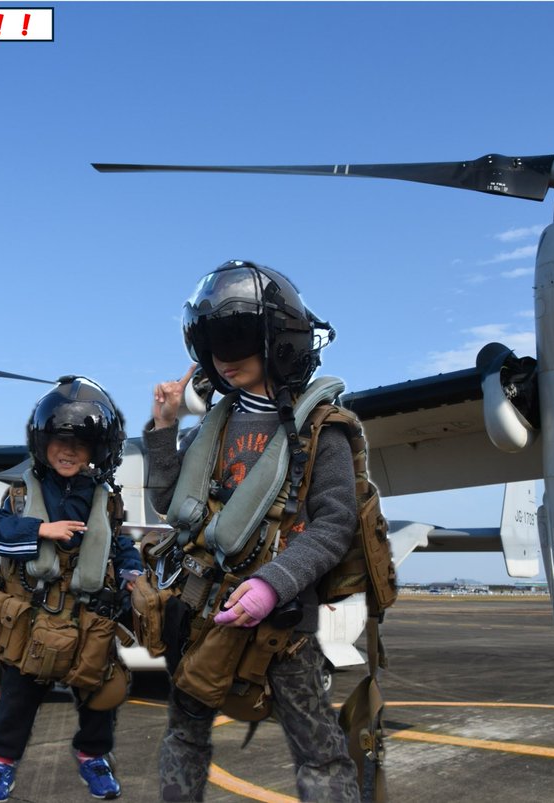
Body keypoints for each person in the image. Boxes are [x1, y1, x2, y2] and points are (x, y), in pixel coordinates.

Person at [143, 260, 361, 801]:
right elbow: (170, 504)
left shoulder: (322, 430)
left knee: (320, 751)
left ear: (278, 341)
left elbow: (336, 523)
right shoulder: (209, 430)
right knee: (184, 737)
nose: (224, 355)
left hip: (281, 629)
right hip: (202, 615)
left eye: (238, 338)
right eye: (214, 343)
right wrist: (164, 427)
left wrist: (272, 584)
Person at [0, 376, 142, 803]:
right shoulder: (19, 497)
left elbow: (117, 543)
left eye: (80, 444)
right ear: (42, 443)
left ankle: (93, 757)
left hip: (88, 619)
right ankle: (1, 765)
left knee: (99, 696)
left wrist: (133, 571)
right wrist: (39, 530)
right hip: (33, 619)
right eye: (59, 441)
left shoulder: (105, 501)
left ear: (96, 451)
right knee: (17, 700)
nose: (68, 451)